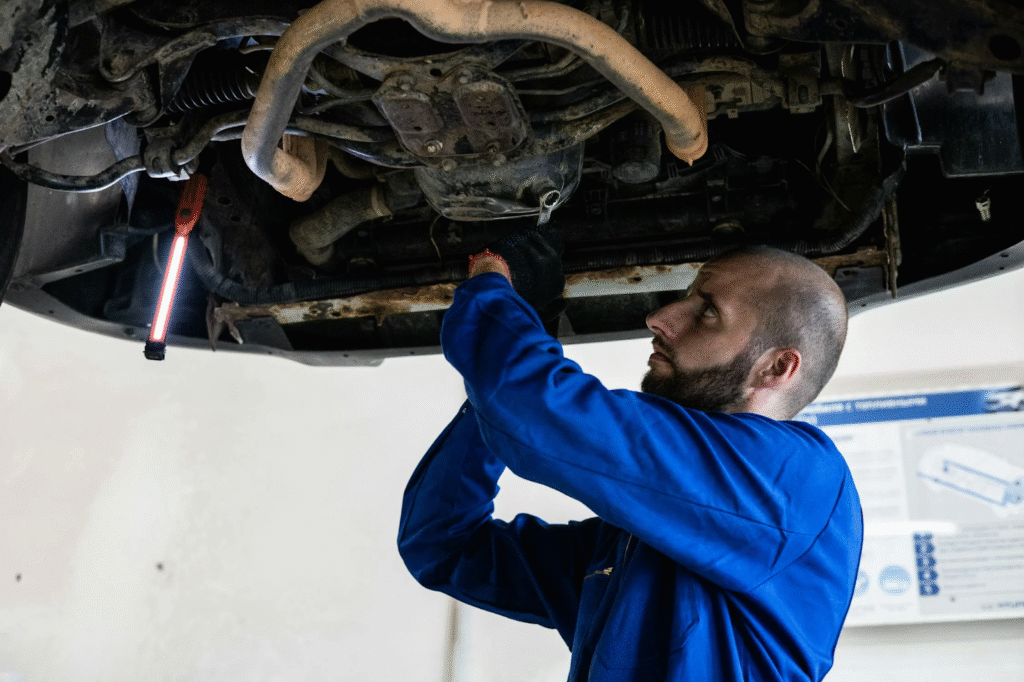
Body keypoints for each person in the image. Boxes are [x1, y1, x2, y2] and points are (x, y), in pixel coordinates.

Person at [398, 234, 863, 682]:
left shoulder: (796, 478)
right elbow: (442, 545)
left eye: (706, 312)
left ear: (777, 367)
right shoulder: (636, 549)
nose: (661, 317)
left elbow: (533, 409)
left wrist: (493, 280)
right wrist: (495, 389)